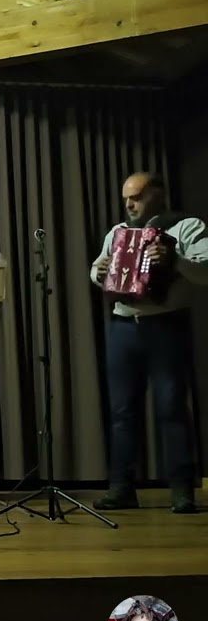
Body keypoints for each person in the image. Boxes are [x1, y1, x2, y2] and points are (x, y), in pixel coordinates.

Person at [89, 172, 206, 514]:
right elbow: (97, 268)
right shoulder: (118, 233)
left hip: (167, 326)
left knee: (172, 409)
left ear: (158, 194)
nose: (129, 204)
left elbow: (205, 272)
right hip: (123, 326)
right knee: (121, 412)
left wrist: (175, 261)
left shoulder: (187, 227)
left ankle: (182, 491)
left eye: (137, 196)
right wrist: (100, 273)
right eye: (126, 197)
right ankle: (121, 488)